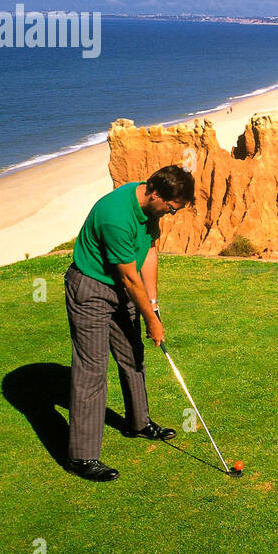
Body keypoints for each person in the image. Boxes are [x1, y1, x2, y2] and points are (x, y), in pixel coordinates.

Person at [64, 165, 195, 481]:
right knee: (92, 369)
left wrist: (153, 304)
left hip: (124, 290)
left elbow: (148, 254)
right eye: (171, 208)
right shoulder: (115, 217)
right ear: (155, 194)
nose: (171, 214)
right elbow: (128, 275)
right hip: (91, 289)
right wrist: (151, 322)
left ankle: (139, 423)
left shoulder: (151, 211)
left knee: (133, 357)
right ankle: (82, 458)